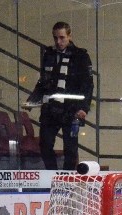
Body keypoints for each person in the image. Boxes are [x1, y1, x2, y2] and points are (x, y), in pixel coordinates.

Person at [25, 21, 93, 171]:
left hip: (72, 109)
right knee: (45, 144)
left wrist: (84, 108)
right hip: (51, 109)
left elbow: (88, 84)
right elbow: (43, 81)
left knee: (71, 148)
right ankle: (52, 175)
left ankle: (67, 179)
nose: (58, 41)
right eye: (55, 38)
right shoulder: (48, 54)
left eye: (62, 37)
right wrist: (32, 100)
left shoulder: (81, 56)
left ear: (69, 36)